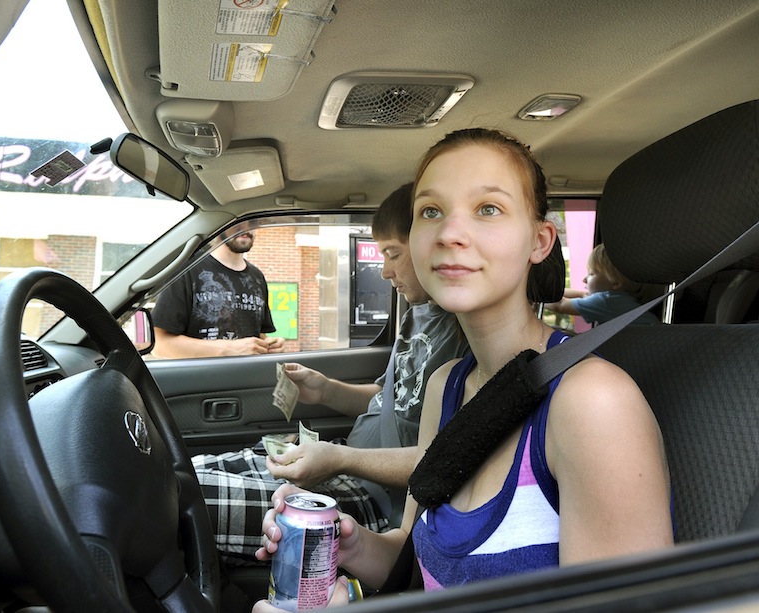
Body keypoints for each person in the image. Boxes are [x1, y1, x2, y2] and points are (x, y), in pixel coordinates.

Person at [255, 128, 673, 605]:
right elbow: (416, 565)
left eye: (488, 209)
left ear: (539, 241)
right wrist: (348, 545)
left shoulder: (593, 402)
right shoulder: (446, 385)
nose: (450, 233)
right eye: (431, 211)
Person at [193, 183, 468, 563]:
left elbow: (438, 460)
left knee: (181, 498)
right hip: (346, 469)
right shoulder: (417, 314)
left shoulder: (463, 337)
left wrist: (339, 459)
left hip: (374, 502)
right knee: (183, 471)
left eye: (393, 254)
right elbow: (385, 398)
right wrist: (324, 391)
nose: (385, 270)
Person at [151, 231, 286, 358]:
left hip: (249, 379)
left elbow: (257, 333)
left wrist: (269, 344)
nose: (246, 228)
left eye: (252, 221)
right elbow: (160, 345)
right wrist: (228, 349)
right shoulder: (187, 269)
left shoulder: (256, 277)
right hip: (202, 380)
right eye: (239, 221)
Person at [545, 243, 660, 325]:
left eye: (591, 274)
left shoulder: (605, 302)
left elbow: (560, 305)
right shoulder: (620, 300)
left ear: (615, 283)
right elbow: (584, 295)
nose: (584, 280)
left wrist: (534, 295)